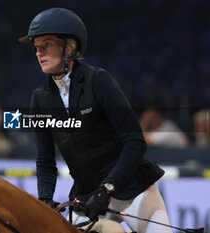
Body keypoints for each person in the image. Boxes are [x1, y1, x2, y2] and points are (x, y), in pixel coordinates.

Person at [19, 8, 173, 233]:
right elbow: (45, 161)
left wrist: (107, 188)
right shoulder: (39, 98)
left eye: (47, 44)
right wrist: (44, 199)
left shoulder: (98, 81)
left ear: (70, 47)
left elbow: (135, 141)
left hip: (132, 188)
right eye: (36, 46)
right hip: (87, 198)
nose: (38, 52)